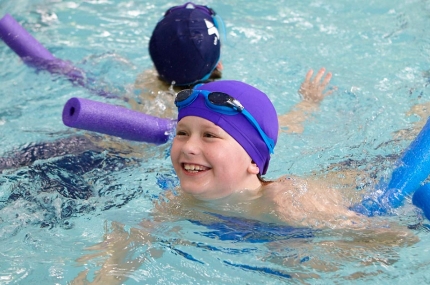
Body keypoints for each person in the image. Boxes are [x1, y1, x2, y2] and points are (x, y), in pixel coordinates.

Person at [71, 80, 418, 284]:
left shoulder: (287, 202)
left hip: (368, 180)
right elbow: (132, 244)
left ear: (254, 160)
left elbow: (392, 238)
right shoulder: (178, 199)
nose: (189, 147)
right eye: (181, 133)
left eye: (209, 135)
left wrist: (318, 256)